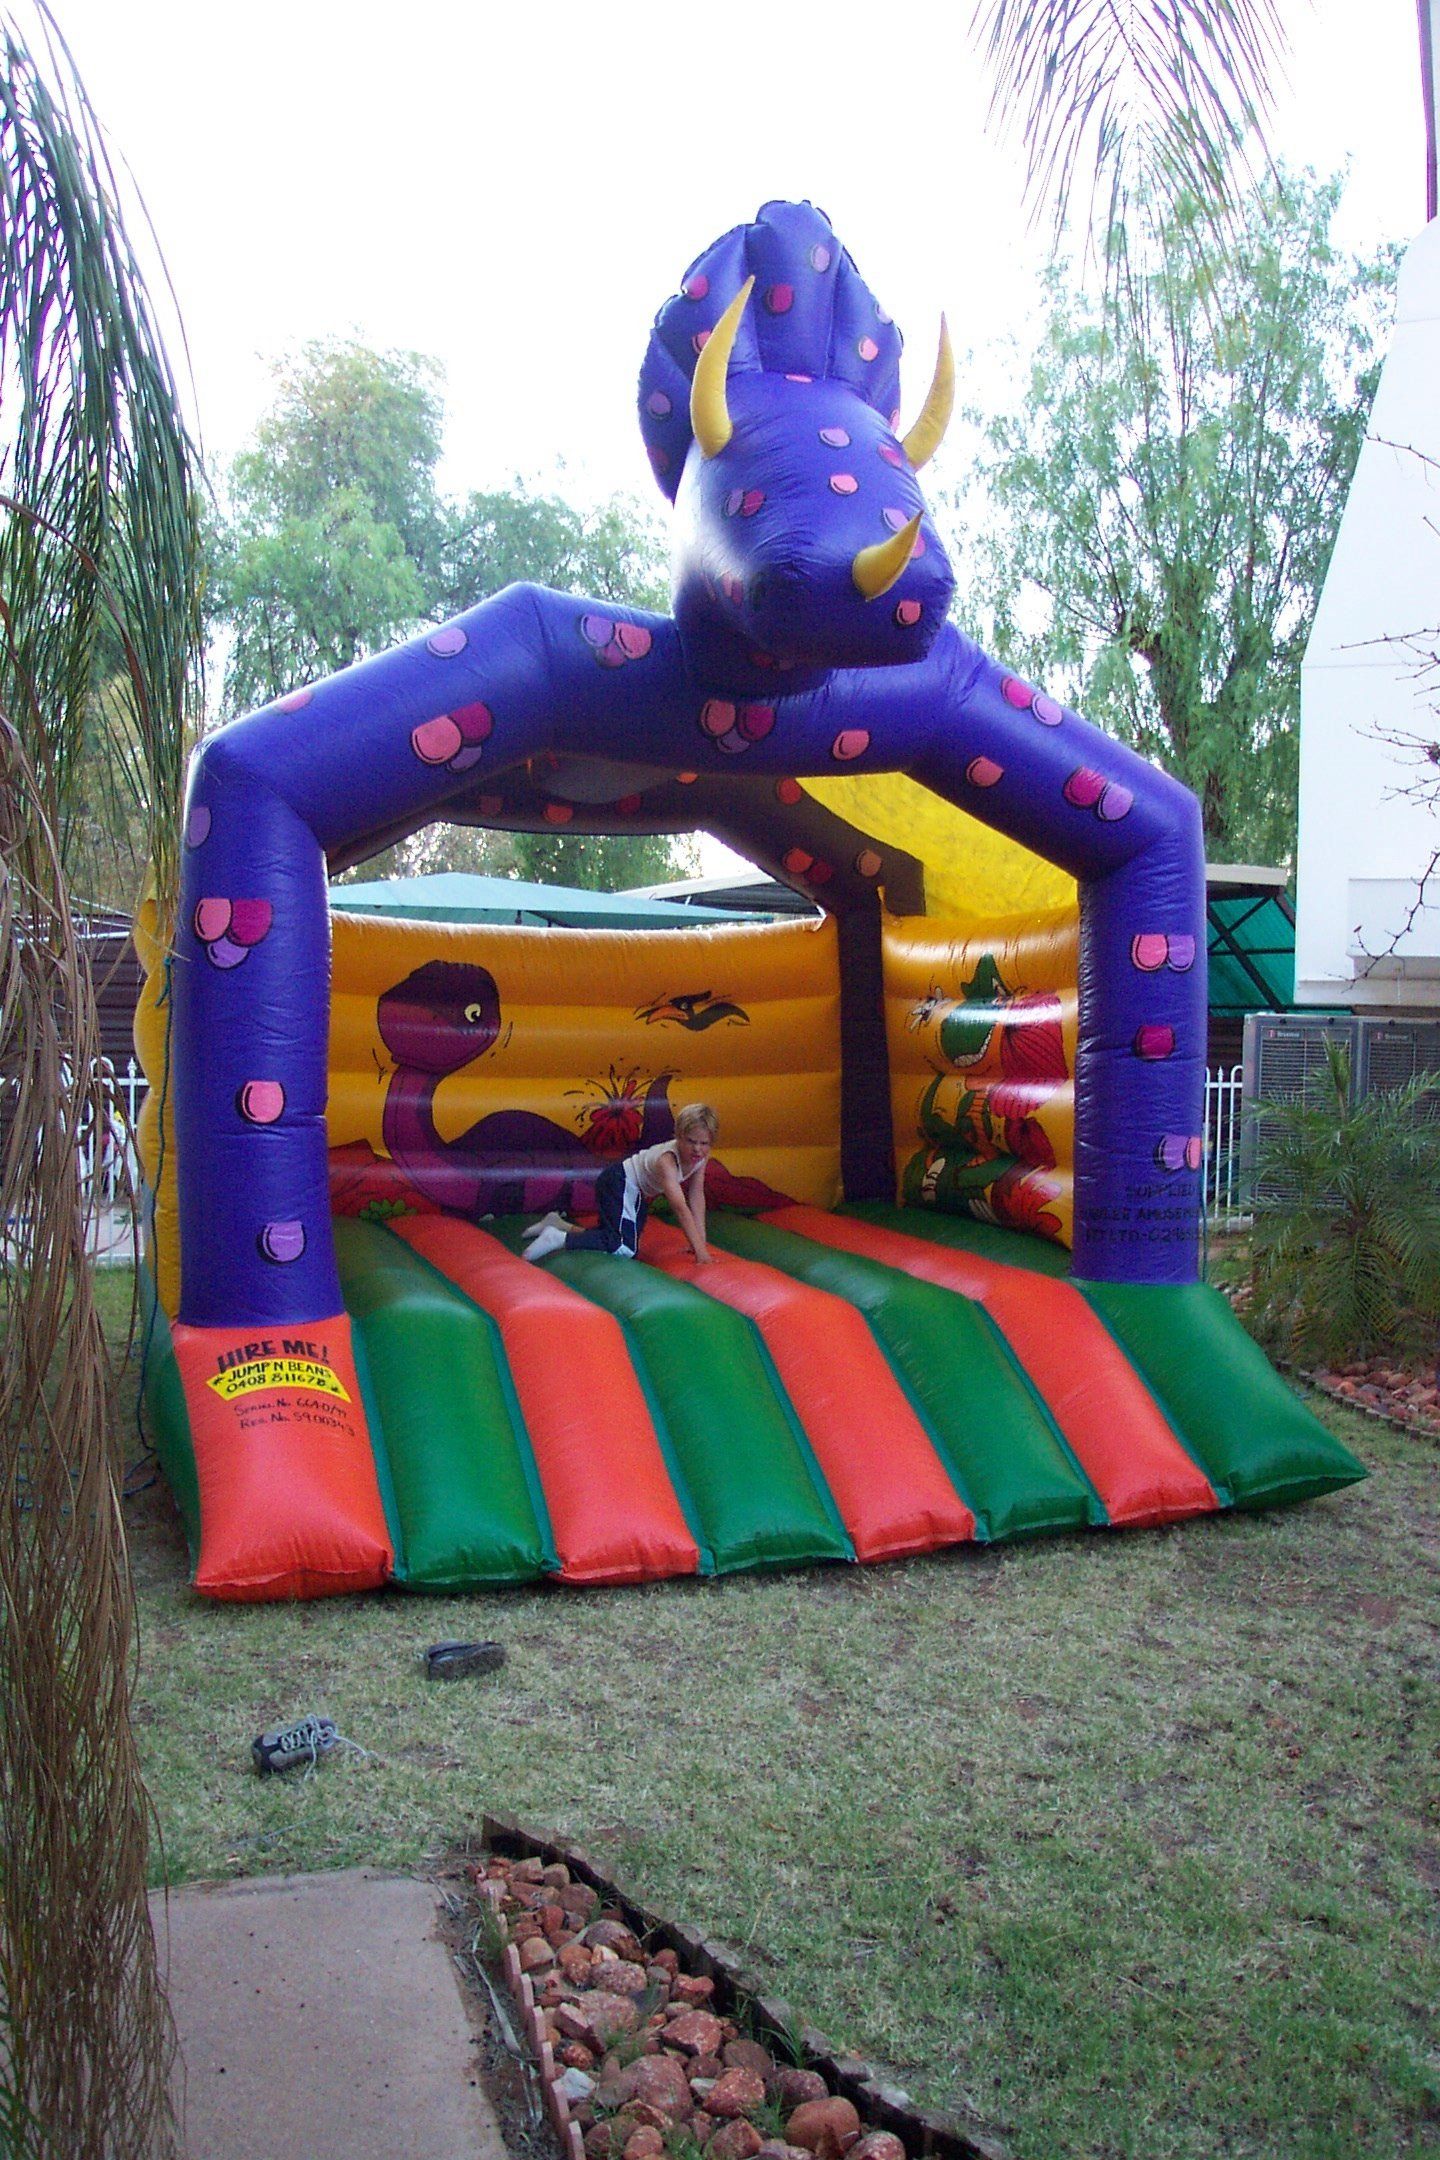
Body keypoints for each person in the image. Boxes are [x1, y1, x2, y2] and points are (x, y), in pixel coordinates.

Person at [523, 1103, 717, 1265]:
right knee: (623, 1247)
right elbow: (681, 1208)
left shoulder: (700, 1157)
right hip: (619, 1182)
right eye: (691, 1141)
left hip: (633, 1191)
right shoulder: (667, 1161)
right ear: (678, 1136)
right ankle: (557, 1238)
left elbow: (696, 1195)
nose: (698, 1149)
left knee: (615, 1237)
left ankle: (558, 1224)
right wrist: (702, 1254)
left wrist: (700, 1242)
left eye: (704, 1143)